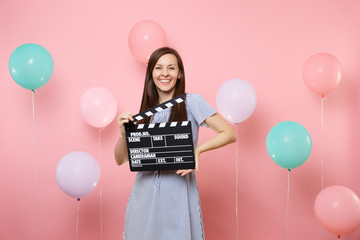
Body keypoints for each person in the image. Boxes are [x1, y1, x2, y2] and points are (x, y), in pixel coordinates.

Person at [114, 47, 236, 240]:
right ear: (151, 73)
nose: (165, 73)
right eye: (158, 68)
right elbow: (121, 160)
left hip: (177, 196)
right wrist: (123, 134)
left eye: (171, 68)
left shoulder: (192, 102)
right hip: (144, 197)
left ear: (179, 73)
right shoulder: (145, 112)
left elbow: (229, 133)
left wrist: (197, 150)